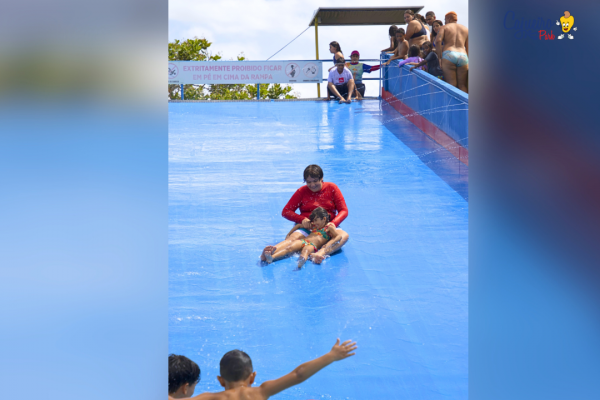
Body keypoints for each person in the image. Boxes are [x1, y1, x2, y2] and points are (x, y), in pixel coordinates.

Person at [175, 339, 357, 400]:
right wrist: (331, 356)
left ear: (220, 380)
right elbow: (298, 374)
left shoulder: (209, 398)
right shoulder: (260, 392)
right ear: (252, 377)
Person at [280, 165, 349, 264]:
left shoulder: (332, 188)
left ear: (322, 178)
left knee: (343, 236)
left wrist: (334, 223)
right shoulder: (301, 192)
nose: (312, 185)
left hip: (327, 227)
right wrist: (302, 219)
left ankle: (321, 253)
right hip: (307, 226)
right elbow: (286, 211)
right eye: (308, 182)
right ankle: (272, 251)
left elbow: (344, 210)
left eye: (315, 181)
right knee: (292, 239)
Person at [261, 207, 340, 268]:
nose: (314, 222)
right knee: (289, 247)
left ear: (324, 219)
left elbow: (338, 236)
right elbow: (299, 225)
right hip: (304, 241)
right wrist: (289, 233)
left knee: (305, 251)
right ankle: (272, 257)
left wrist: (330, 243)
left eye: (316, 220)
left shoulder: (329, 228)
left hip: (312, 245)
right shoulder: (315, 226)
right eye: (314, 220)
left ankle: (301, 261)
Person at [436, 11, 469, 93]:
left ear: (449, 18)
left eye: (445, 19)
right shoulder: (465, 29)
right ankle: (465, 105)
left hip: (449, 54)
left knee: (451, 84)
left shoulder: (444, 27)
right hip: (463, 56)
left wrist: (439, 58)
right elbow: (468, 47)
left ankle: (452, 106)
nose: (445, 21)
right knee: (462, 85)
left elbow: (438, 41)